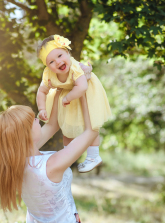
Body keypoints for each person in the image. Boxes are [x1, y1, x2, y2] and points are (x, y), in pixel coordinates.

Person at [0, 89, 98, 222]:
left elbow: (53, 124)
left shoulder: (16, 161)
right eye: (33, 120)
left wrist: (59, 92)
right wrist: (82, 93)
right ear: (27, 134)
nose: (37, 119)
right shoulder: (51, 165)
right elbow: (91, 131)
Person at [36, 34, 111, 172]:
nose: (58, 62)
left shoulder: (76, 68)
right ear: (47, 66)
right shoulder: (48, 74)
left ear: (67, 53)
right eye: (51, 62)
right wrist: (41, 108)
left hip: (85, 92)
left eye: (60, 56)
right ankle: (67, 156)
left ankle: (94, 156)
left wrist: (68, 98)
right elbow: (41, 91)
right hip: (68, 97)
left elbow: (82, 87)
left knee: (92, 125)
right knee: (67, 128)